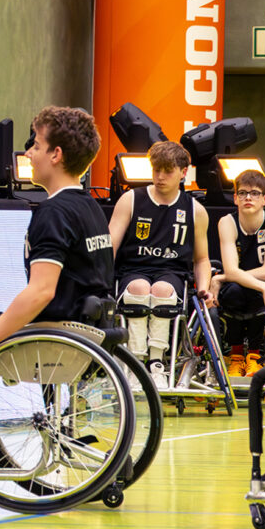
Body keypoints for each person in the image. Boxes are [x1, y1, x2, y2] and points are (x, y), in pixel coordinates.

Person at [0, 106, 113, 382]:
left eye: (36, 146)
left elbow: (41, 292)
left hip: (55, 329)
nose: (27, 153)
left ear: (56, 155)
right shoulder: (91, 207)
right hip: (89, 324)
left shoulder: (53, 212)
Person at [108, 141, 213, 380]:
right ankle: (134, 362)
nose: (160, 176)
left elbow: (202, 258)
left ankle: (157, 364)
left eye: (167, 171)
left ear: (183, 173)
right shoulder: (130, 199)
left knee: (163, 290)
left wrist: (204, 287)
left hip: (172, 273)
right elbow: (109, 247)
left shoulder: (195, 210)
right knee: (139, 288)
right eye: (156, 170)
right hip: (133, 269)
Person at [212, 170, 265, 377]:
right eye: (243, 193)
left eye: (254, 193)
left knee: (255, 292)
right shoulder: (227, 222)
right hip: (240, 285)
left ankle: (255, 357)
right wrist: (230, 276)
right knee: (234, 291)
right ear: (235, 198)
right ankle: (236, 358)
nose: (248, 197)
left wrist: (221, 277)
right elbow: (232, 270)